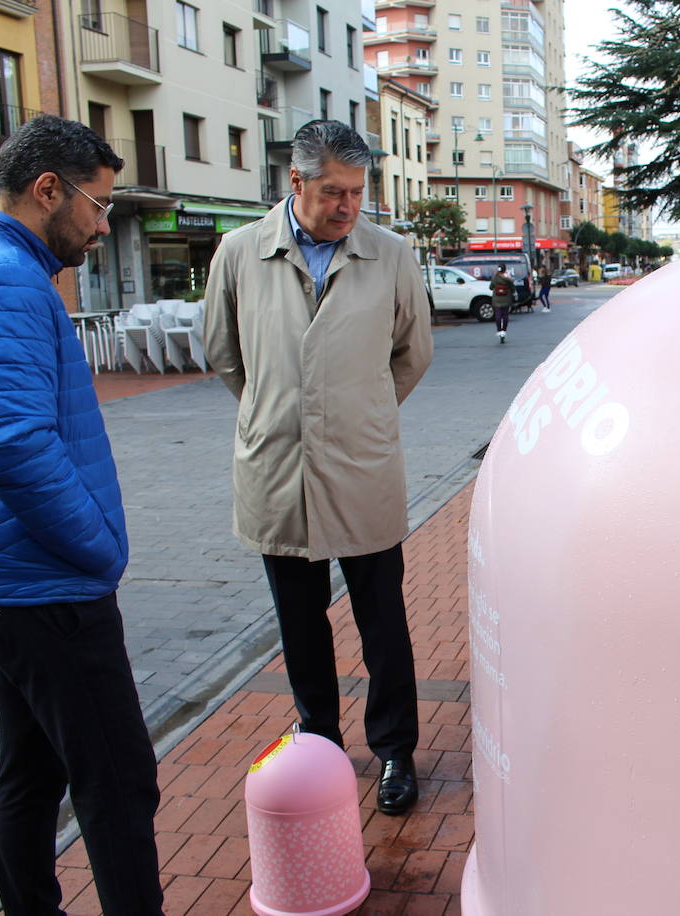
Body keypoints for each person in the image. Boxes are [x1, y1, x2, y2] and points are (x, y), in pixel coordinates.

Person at [0, 115, 164, 915]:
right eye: (98, 205)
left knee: (32, 769)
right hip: (43, 586)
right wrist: (95, 549)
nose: (101, 225)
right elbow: (12, 446)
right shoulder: (3, 283)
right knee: (119, 782)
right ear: (47, 188)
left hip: (6, 579)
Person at [202, 120, 433, 816]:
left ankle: (395, 747)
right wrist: (284, 415)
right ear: (294, 181)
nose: (347, 206)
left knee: (382, 620)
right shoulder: (239, 252)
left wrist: (353, 414)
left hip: (362, 467)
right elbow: (223, 353)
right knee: (299, 624)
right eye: (332, 191)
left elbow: (412, 353)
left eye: (358, 192)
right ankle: (321, 744)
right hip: (276, 469)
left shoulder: (389, 255)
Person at [490, 264, 515, 342]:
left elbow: (490, 287)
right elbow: (513, 288)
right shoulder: (507, 278)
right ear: (505, 269)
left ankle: (499, 330)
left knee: (498, 315)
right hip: (506, 299)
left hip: (496, 299)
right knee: (505, 316)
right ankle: (504, 331)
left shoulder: (495, 277)